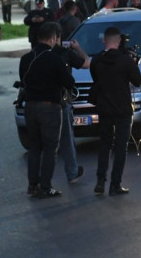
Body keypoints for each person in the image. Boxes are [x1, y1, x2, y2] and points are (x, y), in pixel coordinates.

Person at [19, 22, 74, 198]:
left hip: (31, 107)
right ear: (52, 39)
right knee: (50, 149)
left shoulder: (26, 58)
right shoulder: (54, 59)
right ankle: (46, 186)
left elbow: (23, 80)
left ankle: (32, 185)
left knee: (35, 148)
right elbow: (69, 83)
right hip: (50, 107)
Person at [91, 27, 141, 196]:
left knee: (104, 145)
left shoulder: (97, 60)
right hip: (122, 109)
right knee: (120, 147)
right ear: (119, 41)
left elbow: (95, 79)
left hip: (104, 108)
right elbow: (137, 80)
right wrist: (134, 64)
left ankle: (100, 180)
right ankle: (115, 185)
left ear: (104, 41)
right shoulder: (125, 61)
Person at [53, 35, 90, 184]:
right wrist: (77, 48)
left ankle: (38, 182)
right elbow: (87, 63)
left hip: (40, 103)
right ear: (56, 38)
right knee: (66, 138)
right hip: (62, 101)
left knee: (43, 144)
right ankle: (72, 172)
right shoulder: (64, 53)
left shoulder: (35, 54)